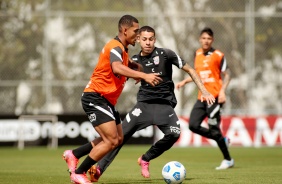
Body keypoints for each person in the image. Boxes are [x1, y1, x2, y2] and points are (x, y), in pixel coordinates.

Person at [88, 25, 215, 182]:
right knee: (118, 139)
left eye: (151, 39)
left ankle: (145, 158)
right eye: (144, 39)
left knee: (174, 133)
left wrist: (204, 91)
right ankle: (99, 169)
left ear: (155, 39)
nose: (148, 42)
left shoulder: (167, 54)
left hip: (165, 106)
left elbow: (191, 70)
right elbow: (117, 79)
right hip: (143, 107)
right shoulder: (133, 61)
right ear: (139, 40)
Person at [62, 15, 162, 184]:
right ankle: (79, 173)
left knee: (118, 140)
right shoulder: (114, 46)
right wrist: (143, 75)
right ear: (125, 30)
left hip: (106, 100)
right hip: (95, 97)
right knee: (111, 140)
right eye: (136, 31)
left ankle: (74, 154)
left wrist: (135, 66)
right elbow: (117, 66)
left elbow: (123, 63)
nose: (138, 36)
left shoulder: (121, 50)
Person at [176, 27, 234, 170]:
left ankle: (228, 160)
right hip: (202, 97)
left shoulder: (218, 55)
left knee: (214, 128)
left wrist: (223, 92)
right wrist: (185, 81)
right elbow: (199, 75)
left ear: (212, 40)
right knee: (193, 125)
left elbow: (228, 74)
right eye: (204, 38)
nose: (206, 41)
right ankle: (222, 139)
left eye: (209, 38)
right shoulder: (197, 54)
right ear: (200, 39)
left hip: (214, 98)